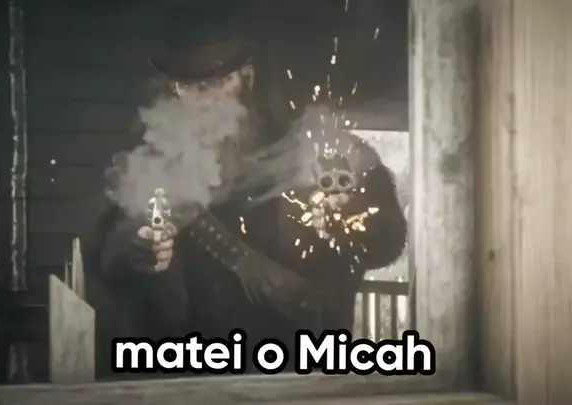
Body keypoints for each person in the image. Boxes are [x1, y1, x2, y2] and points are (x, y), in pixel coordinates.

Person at [80, 12, 407, 378]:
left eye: (216, 82)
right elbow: (107, 256)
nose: (202, 101)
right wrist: (137, 251)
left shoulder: (314, 150)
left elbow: (388, 240)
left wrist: (348, 223)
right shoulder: (159, 156)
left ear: (245, 79)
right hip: (190, 375)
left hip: (303, 372)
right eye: (188, 86)